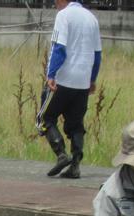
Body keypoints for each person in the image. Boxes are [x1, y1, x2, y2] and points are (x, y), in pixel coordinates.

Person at [39, 0, 102, 180]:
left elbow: (59, 48)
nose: (54, 4)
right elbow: (97, 55)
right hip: (82, 81)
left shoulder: (63, 15)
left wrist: (51, 74)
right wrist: (92, 79)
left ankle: (61, 154)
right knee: (75, 124)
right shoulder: (92, 19)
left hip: (63, 78)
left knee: (45, 117)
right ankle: (75, 166)